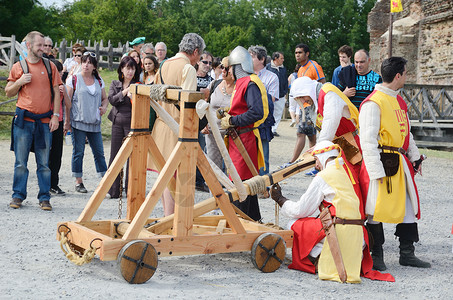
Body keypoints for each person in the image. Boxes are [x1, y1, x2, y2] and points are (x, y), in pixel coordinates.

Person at [270, 141, 394, 283]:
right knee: (315, 224)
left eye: (316, 160)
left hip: (338, 232)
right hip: (359, 236)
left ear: (324, 157)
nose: (316, 165)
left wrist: (280, 200)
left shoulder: (325, 176)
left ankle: (320, 258)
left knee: (293, 224)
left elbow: (301, 210)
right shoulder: (346, 172)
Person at [359, 56, 431, 271]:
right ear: (398, 76)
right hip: (382, 162)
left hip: (400, 162)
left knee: (408, 207)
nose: (406, 77)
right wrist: (375, 171)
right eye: (406, 73)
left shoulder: (399, 100)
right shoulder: (373, 103)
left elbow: (406, 133)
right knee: (375, 208)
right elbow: (367, 141)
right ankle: (376, 254)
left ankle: (407, 253)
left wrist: (415, 157)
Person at [6, 31, 62, 211]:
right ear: (29, 46)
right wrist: (20, 81)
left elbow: (56, 92)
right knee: (21, 162)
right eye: (39, 45)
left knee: (44, 163)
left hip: (44, 121)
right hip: (24, 121)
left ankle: (45, 198)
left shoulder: (50, 66)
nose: (43, 48)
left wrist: (55, 116)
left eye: (44, 45)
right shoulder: (18, 66)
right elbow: (9, 92)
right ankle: (18, 196)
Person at [150, 33, 204, 216]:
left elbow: (155, 95)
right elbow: (188, 106)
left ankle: (168, 216)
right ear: (195, 51)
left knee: (164, 176)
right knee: (177, 177)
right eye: (199, 55)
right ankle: (173, 221)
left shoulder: (164, 64)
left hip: (161, 125)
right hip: (178, 127)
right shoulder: (187, 68)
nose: (199, 60)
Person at [289, 76, 362, 200]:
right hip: (340, 145)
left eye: (302, 97)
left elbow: (330, 124)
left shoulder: (329, 93)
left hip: (353, 144)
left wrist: (318, 151)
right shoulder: (318, 98)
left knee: (355, 183)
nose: (304, 101)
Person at [218, 45, 268, 221]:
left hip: (244, 139)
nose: (227, 70)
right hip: (237, 139)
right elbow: (242, 108)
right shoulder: (241, 83)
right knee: (244, 181)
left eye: (229, 67)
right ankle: (254, 219)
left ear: (236, 66)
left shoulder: (250, 83)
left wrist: (233, 121)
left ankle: (240, 222)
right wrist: (229, 112)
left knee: (241, 183)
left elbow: (257, 112)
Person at [67, 52, 109, 193]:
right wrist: (67, 122)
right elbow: (67, 102)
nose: (86, 64)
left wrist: (104, 107)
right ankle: (78, 181)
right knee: (78, 152)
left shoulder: (99, 81)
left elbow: (105, 98)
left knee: (99, 153)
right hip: (78, 122)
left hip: (94, 122)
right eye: (84, 61)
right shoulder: (74, 79)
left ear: (94, 66)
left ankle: (105, 181)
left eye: (90, 62)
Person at [107, 56, 140, 199]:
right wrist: (124, 93)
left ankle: (131, 190)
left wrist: (133, 95)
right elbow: (112, 100)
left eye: (132, 68)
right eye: (127, 68)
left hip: (131, 123)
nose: (130, 71)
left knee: (131, 157)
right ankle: (113, 190)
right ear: (121, 69)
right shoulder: (115, 83)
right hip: (116, 122)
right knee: (115, 156)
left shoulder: (138, 84)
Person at [293, 43, 325, 175]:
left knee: (309, 135)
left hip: (313, 106)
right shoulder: (300, 69)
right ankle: (309, 163)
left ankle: (297, 162)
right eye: (296, 53)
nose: (297, 55)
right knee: (304, 134)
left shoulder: (315, 66)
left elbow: (322, 84)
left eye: (300, 52)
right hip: (304, 105)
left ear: (307, 54)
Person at [248, 45, 277, 180]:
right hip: (246, 119)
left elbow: (270, 100)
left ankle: (264, 185)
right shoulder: (245, 75)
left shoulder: (272, 77)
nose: (249, 59)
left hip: (263, 121)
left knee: (263, 155)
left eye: (252, 56)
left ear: (262, 59)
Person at [204, 57, 234, 170]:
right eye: (222, 67)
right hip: (212, 133)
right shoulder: (214, 84)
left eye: (227, 68)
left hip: (232, 134)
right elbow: (204, 104)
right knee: (213, 168)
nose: (223, 71)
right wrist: (203, 123)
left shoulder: (240, 88)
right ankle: (214, 188)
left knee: (231, 169)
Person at [49, 59, 72, 196]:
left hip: (60, 121)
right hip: (46, 121)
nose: (60, 75)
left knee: (57, 154)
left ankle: (54, 183)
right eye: (58, 72)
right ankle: (45, 183)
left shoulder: (62, 84)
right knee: (46, 154)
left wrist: (64, 91)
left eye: (62, 72)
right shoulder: (46, 84)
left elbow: (68, 105)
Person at [266, 51, 288, 136]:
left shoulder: (283, 68)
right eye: (281, 58)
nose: (283, 60)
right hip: (270, 94)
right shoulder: (267, 67)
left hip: (281, 94)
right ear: (275, 58)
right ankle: (268, 128)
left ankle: (274, 129)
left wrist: (285, 91)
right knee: (269, 111)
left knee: (278, 112)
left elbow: (285, 80)